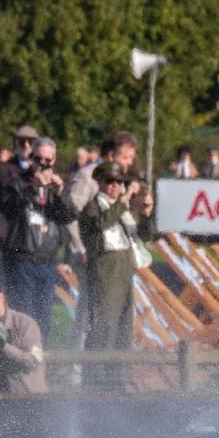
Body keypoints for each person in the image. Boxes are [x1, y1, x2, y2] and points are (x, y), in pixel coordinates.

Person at [79, 161, 153, 388]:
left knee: (122, 329)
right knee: (104, 327)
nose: (114, 186)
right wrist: (124, 200)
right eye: (109, 181)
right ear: (100, 182)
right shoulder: (93, 207)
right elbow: (101, 223)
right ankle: (95, 381)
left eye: (118, 182)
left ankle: (116, 381)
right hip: (104, 274)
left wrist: (146, 212)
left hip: (124, 273)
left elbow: (144, 235)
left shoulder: (124, 211)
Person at [0, 136, 71, 341]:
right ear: (32, 158)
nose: (44, 164)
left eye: (48, 160)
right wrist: (31, 188)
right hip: (22, 257)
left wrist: (59, 194)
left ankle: (39, 365)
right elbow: (8, 209)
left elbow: (67, 217)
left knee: (44, 318)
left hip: (46, 259)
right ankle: (18, 364)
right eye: (39, 159)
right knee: (23, 316)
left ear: (54, 160)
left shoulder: (54, 187)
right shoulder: (17, 181)